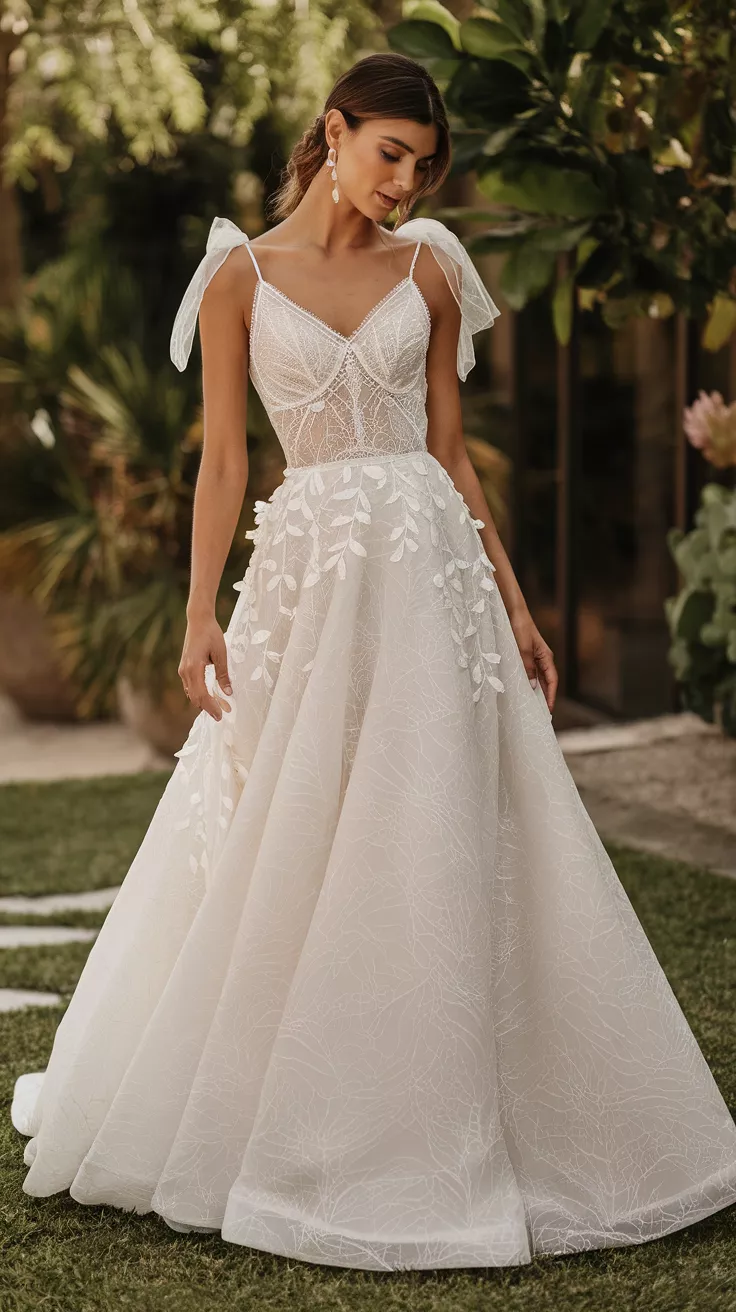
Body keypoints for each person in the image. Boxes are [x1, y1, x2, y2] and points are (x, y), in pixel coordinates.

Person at [11, 52, 736, 1272]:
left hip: (431, 578)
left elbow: (452, 455)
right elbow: (227, 464)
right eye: (390, 153)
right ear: (333, 132)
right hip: (306, 578)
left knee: (437, 821)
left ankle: (466, 1109)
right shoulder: (239, 275)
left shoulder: (434, 269)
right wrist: (201, 613)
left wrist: (516, 605)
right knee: (286, 820)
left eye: (424, 163)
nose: (406, 182)